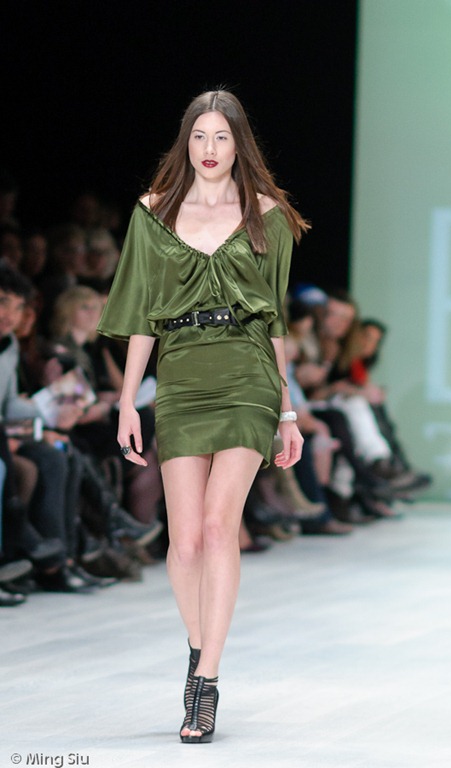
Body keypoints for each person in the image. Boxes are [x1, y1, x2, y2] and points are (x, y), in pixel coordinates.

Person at [97, 89, 307, 743]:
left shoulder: (267, 215)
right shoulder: (153, 212)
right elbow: (139, 312)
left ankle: (207, 682)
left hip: (247, 374)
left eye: (221, 137)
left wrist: (288, 411)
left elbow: (275, 319)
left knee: (219, 529)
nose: (209, 149)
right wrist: (127, 400)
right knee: (183, 541)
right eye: (199, 136)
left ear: (239, 144)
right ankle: (199, 647)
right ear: (184, 142)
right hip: (181, 374)